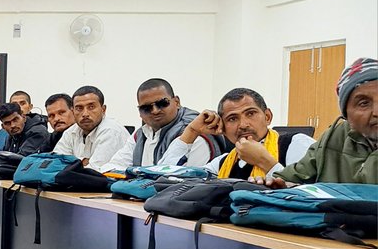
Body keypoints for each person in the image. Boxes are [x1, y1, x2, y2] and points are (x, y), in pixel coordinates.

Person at [269, 58, 378, 185]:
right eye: (364, 103)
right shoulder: (333, 138)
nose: (376, 112)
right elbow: (294, 177)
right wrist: (278, 184)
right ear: (345, 113)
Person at [171, 88, 314, 179]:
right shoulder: (223, 163)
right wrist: (191, 131)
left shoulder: (296, 144)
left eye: (250, 114)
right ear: (222, 128)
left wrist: (264, 162)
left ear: (268, 117)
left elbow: (315, 196)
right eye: (232, 119)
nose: (243, 125)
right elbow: (166, 179)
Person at [106, 78, 215, 170]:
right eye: (146, 108)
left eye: (162, 103)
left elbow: (181, 181)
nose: (155, 111)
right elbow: (112, 167)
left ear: (177, 102)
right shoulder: (142, 133)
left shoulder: (194, 134)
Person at [52, 86, 131, 172]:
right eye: (79, 108)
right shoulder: (71, 131)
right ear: (73, 111)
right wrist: (83, 160)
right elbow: (55, 164)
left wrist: (73, 162)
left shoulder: (111, 131)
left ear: (103, 109)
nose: (85, 114)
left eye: (91, 107)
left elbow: (94, 172)